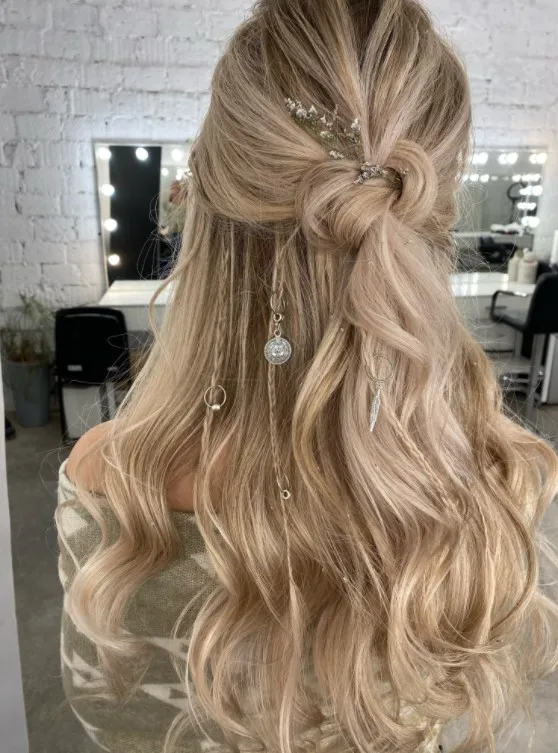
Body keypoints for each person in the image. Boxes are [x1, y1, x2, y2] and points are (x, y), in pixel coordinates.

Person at [56, 1, 558, 752]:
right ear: (432, 211)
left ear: (211, 210)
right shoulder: (478, 486)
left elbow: (105, 717)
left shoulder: (108, 477)